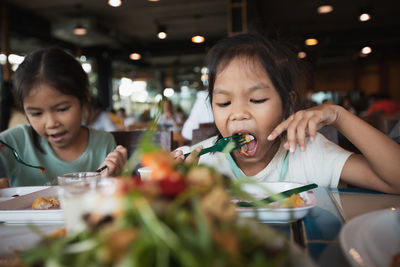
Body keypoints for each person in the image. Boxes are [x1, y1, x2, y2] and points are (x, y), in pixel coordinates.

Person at [174, 33, 400, 194]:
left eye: (257, 99)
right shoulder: (196, 162)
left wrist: (338, 115)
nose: (238, 113)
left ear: (288, 104)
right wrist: (170, 186)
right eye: (224, 103)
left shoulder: (310, 154)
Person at [0, 47, 127, 187]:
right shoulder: (13, 143)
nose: (51, 123)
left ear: (84, 100)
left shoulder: (103, 144)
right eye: (36, 113)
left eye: (62, 109)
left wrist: (111, 179)